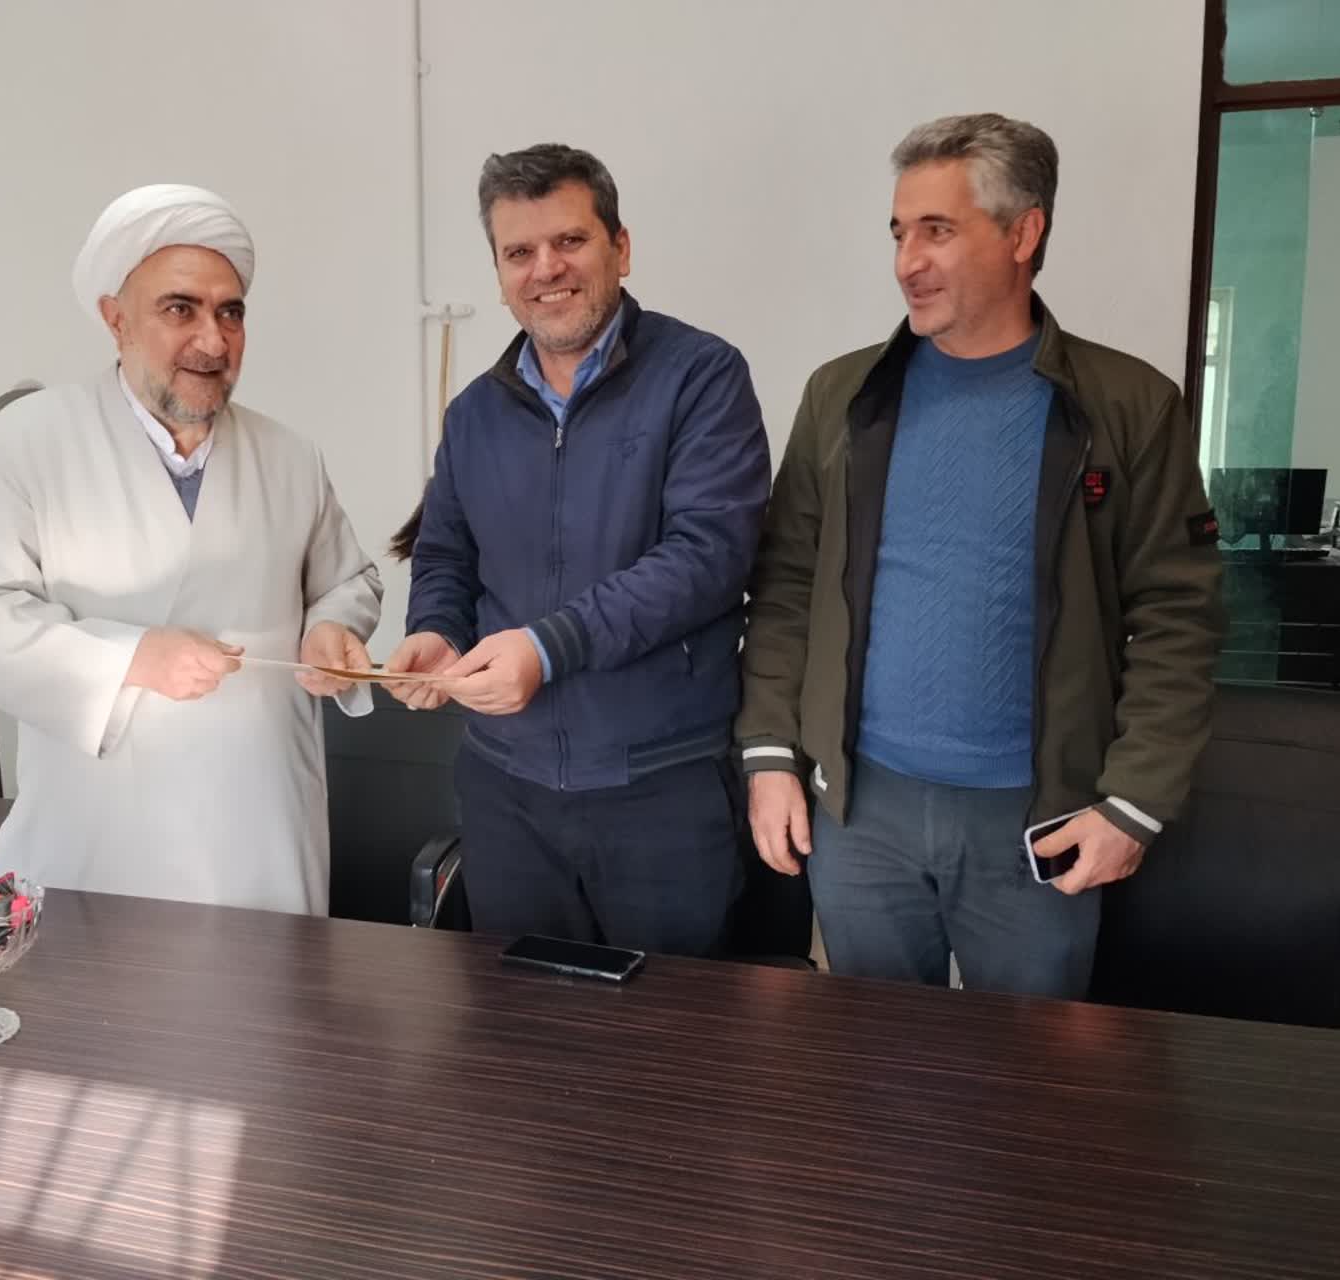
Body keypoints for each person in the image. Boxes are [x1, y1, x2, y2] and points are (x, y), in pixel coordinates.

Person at [737, 115, 1225, 998]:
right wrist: (770, 753)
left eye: (937, 231)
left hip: (1038, 819)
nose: (906, 262)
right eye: (898, 233)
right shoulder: (842, 396)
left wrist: (1133, 804)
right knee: (873, 1059)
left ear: (1022, 233)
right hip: (860, 813)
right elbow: (785, 588)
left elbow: (1177, 618)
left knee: (1031, 1072)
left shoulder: (1128, 405)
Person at [0, 183, 382, 914]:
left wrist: (332, 626)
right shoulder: (28, 441)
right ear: (115, 319)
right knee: (100, 984)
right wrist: (132, 657)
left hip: (260, 830)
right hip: (101, 832)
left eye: (230, 312)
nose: (213, 340)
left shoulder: (289, 455)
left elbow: (347, 580)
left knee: (268, 988)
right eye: (180, 309)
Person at [385, 144, 771, 956]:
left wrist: (546, 647)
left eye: (569, 241)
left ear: (619, 248)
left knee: (675, 1026)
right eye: (518, 252)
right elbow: (446, 554)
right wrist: (436, 630)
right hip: (506, 792)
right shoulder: (474, 414)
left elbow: (706, 556)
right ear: (499, 274)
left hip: (661, 787)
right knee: (524, 1023)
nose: (545, 269)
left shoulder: (701, 377)